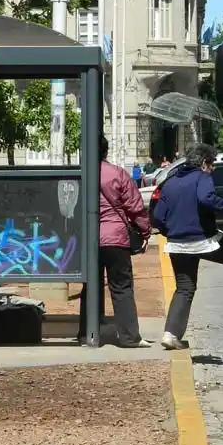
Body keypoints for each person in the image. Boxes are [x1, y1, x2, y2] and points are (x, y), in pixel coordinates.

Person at [151, 143, 223, 350]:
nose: (212, 169)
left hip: (177, 244)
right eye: (211, 164)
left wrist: (172, 232)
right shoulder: (202, 177)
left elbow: (158, 217)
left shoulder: (170, 182)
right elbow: (207, 198)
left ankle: (171, 334)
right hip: (204, 239)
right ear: (205, 163)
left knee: (184, 288)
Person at [78, 135, 151, 348]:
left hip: (89, 240)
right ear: (105, 150)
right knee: (122, 287)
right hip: (116, 238)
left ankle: (85, 334)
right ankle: (129, 337)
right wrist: (145, 232)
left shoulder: (80, 174)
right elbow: (135, 207)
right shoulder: (117, 173)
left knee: (90, 286)